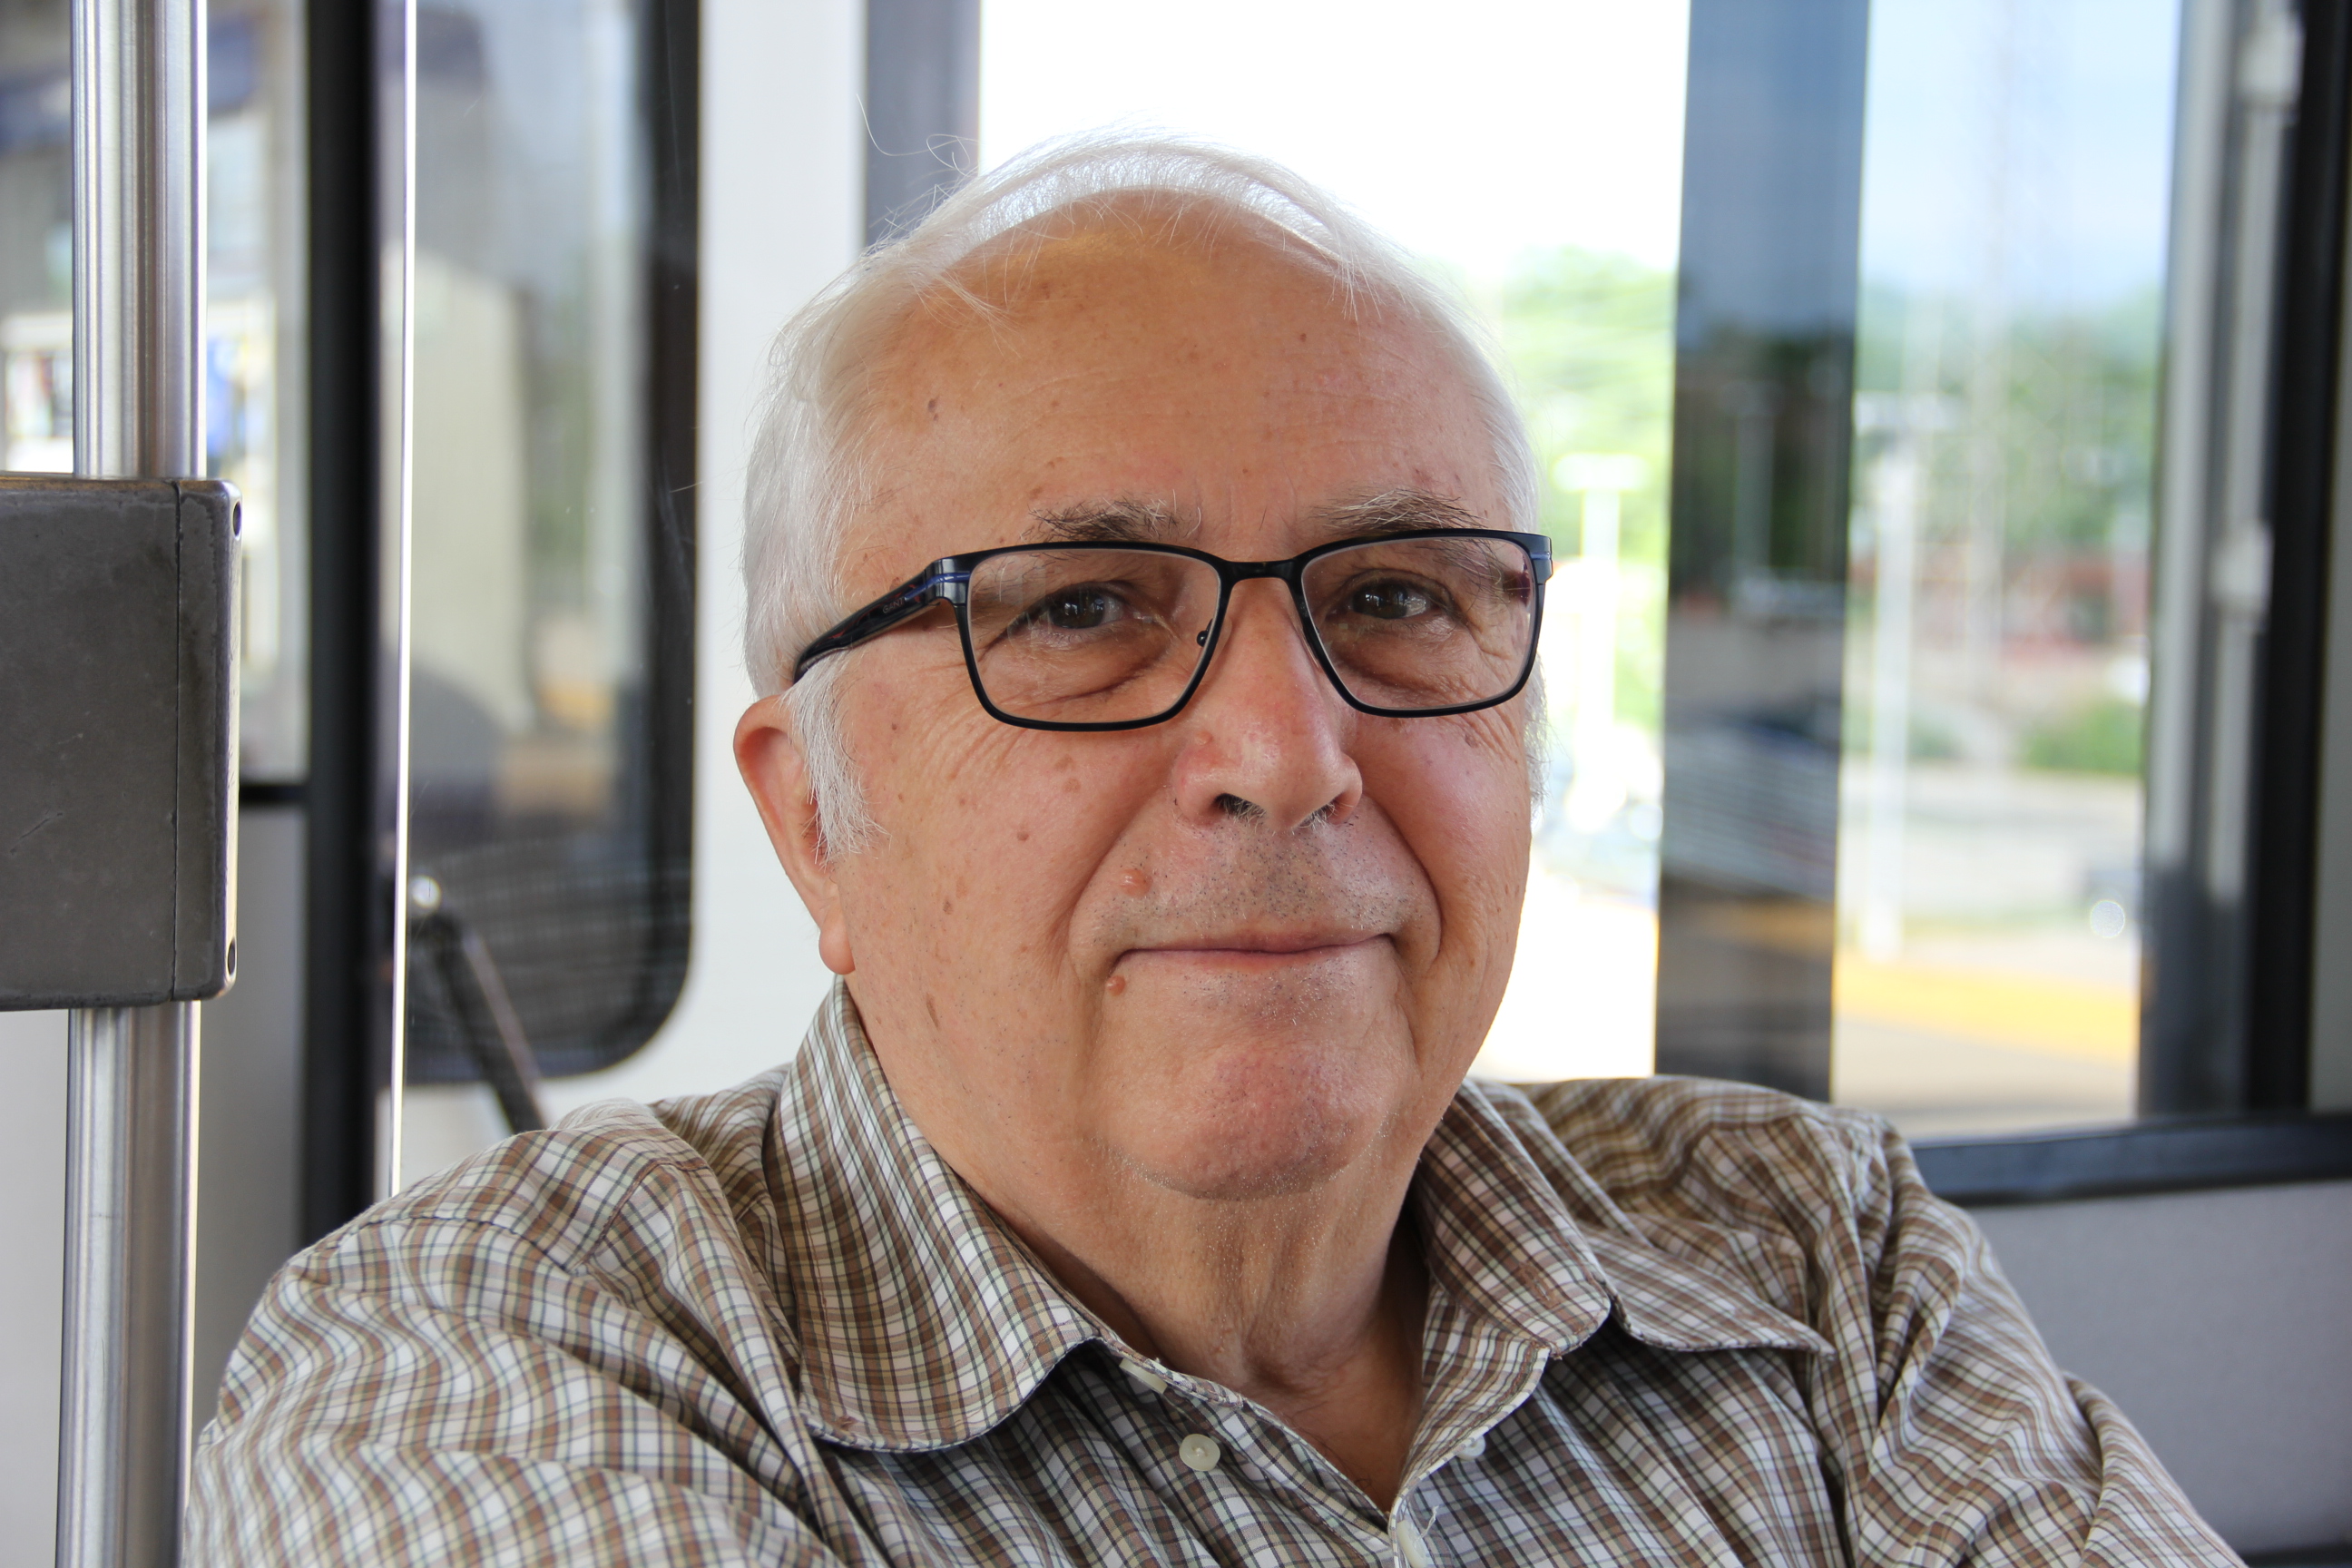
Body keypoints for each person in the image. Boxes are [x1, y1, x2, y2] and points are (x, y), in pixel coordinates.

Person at [188, 135, 2238, 1566]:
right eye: (1082, 610)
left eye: (1402, 597)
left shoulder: (1818, 1261)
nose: (1284, 753)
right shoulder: (488, 1357)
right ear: (813, 816)